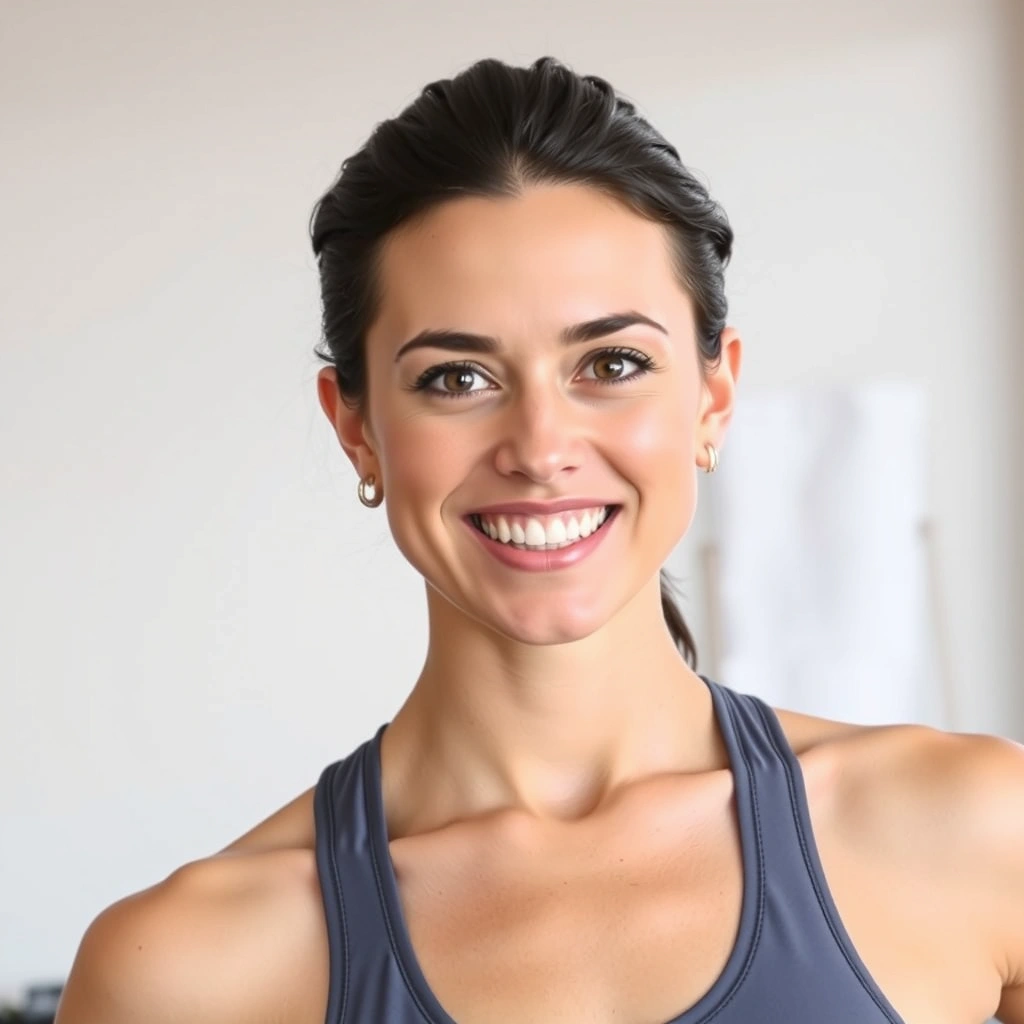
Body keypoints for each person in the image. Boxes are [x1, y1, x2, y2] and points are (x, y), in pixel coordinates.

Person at [55, 56, 1024, 1024]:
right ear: (356, 428)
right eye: (456, 378)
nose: (539, 448)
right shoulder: (183, 976)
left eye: (611, 362)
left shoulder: (979, 832)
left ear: (712, 397)